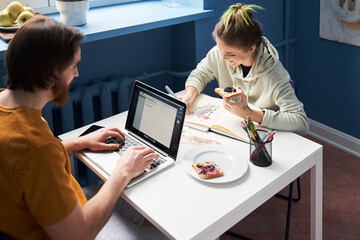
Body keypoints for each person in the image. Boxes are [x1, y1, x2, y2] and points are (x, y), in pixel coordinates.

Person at [0, 15, 167, 240]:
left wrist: (78, 143)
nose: (77, 74)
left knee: (139, 195)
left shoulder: (9, 107)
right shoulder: (37, 148)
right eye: (73, 66)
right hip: (74, 229)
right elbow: (78, 235)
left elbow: (22, 164)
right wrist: (123, 171)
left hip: (57, 213)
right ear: (50, 78)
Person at [180, 3, 309, 134]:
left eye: (231, 54)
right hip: (234, 126)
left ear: (251, 49)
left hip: (263, 135)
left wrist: (249, 113)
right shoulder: (220, 54)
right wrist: (189, 95)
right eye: (220, 48)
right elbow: (199, 74)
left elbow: (301, 122)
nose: (223, 57)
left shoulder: (275, 75)